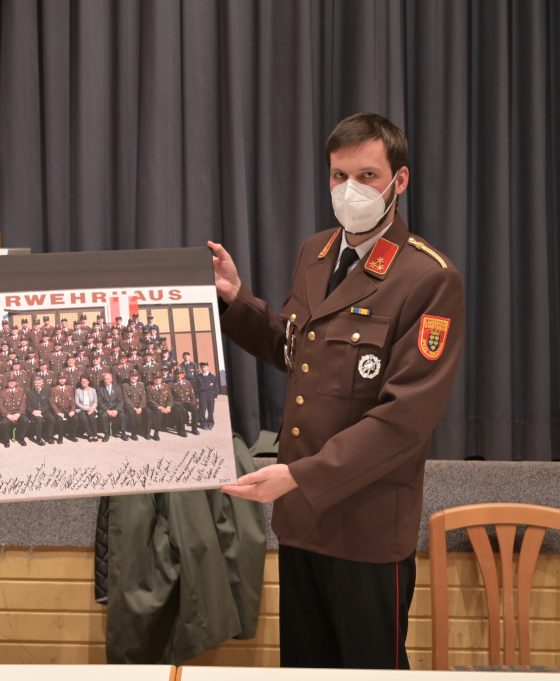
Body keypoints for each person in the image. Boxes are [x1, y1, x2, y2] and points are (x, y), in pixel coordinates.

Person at [209, 113, 464, 669]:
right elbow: (295, 350)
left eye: (367, 175)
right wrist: (235, 299)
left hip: (365, 529)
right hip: (302, 520)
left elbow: (403, 421)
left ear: (400, 181)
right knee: (305, 671)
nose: (350, 190)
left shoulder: (427, 278)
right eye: (338, 176)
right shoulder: (316, 253)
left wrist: (300, 475)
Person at [97, 372, 126, 441]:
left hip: (116, 408)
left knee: (122, 415)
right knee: (104, 416)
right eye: (105, 379)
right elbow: (100, 402)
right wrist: (107, 410)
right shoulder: (100, 389)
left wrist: (116, 410)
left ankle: (123, 433)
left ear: (111, 380)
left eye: (107, 379)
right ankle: (106, 434)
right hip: (105, 409)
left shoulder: (117, 388)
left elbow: (121, 401)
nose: (106, 380)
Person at [74, 376, 100, 441]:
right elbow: (77, 402)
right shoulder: (77, 390)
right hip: (81, 408)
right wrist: (86, 408)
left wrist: (92, 409)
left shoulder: (93, 390)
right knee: (84, 418)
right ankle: (90, 434)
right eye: (82, 381)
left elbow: (95, 402)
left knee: (92, 417)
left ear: (88, 382)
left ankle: (95, 434)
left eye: (85, 381)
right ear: (80, 382)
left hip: (91, 408)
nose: (84, 382)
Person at [196, 361, 219, 429]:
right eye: (201, 367)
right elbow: (196, 388)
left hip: (210, 394)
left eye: (204, 367)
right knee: (202, 409)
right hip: (202, 394)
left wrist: (215, 396)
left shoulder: (212, 377)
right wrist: (197, 397)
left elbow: (216, 387)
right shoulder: (198, 377)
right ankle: (203, 423)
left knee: (211, 410)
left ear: (208, 367)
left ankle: (210, 422)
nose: (203, 369)